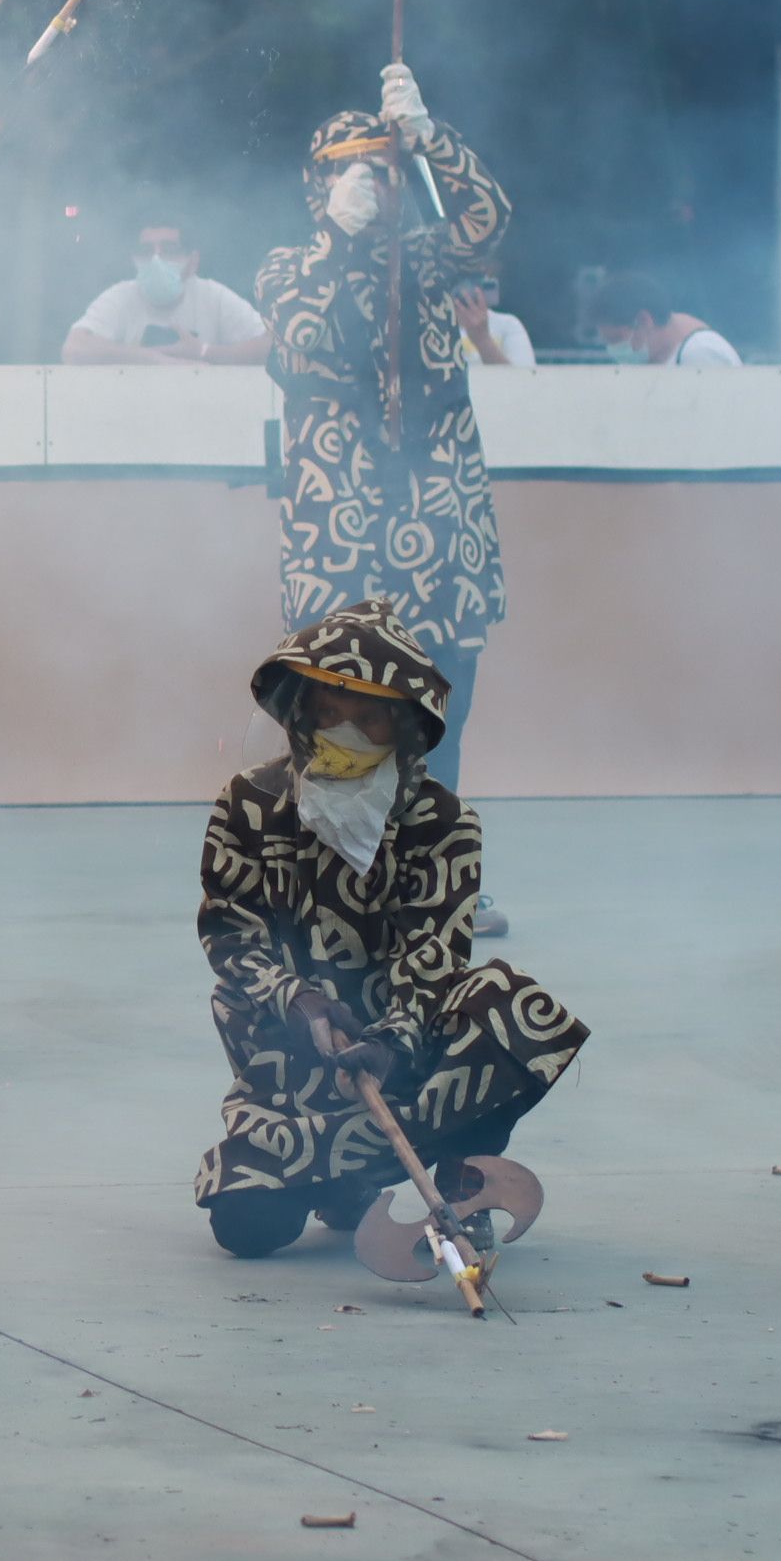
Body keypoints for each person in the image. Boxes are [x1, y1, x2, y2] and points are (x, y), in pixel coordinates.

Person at [191, 599, 590, 1260]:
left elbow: (432, 956)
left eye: (369, 713)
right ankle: (344, 1177)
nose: (345, 728)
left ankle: (457, 1175)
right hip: (293, 1063)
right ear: (302, 709)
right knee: (248, 1230)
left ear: (402, 723)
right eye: (331, 708)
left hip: (402, 1064)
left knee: (513, 1007)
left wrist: (392, 1042)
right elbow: (231, 931)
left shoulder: (444, 822)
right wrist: (300, 1000)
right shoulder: (249, 804)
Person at [259, 62, 512, 930]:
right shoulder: (292, 268)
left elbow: (489, 219)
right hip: (344, 540)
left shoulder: (435, 261)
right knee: (342, 709)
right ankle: (339, 892)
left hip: (443, 535)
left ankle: (432, 884)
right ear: (318, 184)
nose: (370, 184)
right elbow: (302, 338)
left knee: (442, 708)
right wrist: (337, 240)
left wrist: (432, 140)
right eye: (349, 169)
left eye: (383, 168)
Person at [62, 221, 269, 365]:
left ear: (193, 261)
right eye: (146, 251)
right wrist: (155, 359)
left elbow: (272, 347)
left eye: (169, 250)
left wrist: (204, 352)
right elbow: (75, 348)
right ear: (133, 259)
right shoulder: (120, 296)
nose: (156, 260)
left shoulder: (214, 296)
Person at [588, 271, 740, 367]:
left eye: (616, 338)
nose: (613, 349)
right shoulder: (654, 358)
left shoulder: (701, 354)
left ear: (644, 320)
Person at [452, 273, 533, 369]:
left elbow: (526, 379)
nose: (465, 291)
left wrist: (482, 340)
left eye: (471, 285)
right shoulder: (433, 326)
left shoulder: (509, 324)